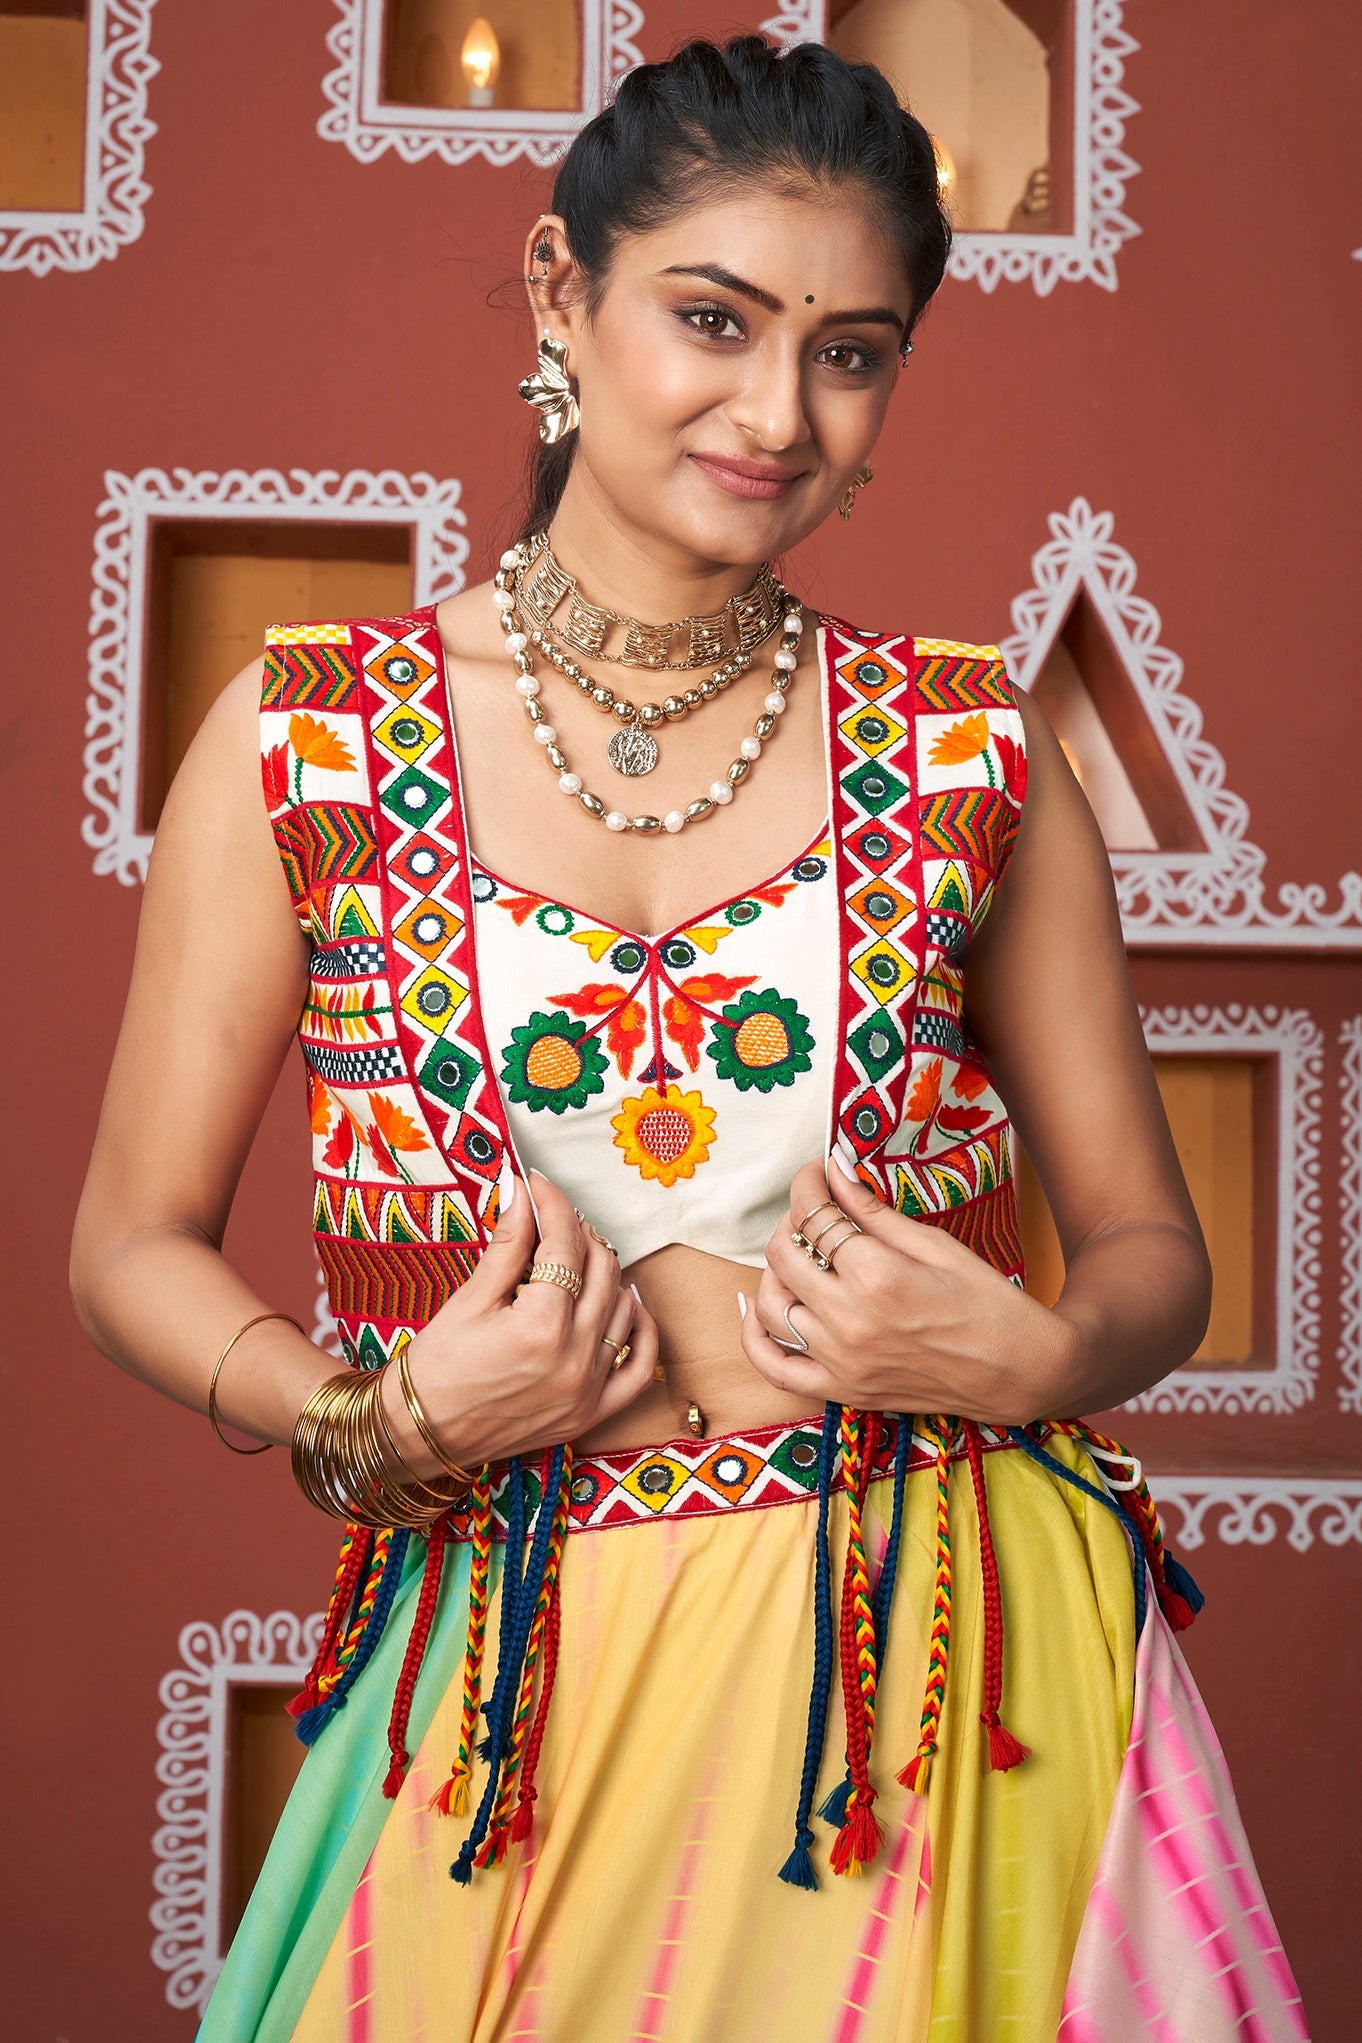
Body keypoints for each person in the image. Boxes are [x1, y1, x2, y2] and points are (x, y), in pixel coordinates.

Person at [71, 36, 1307, 2043]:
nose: (777, 411)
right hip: (513, 1675)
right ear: (562, 293)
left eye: (851, 353)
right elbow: (127, 1240)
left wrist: (1040, 1355)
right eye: (714, 320)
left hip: (945, 1679)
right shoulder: (309, 737)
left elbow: (1150, 1250)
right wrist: (372, 1426)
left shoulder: (969, 744)